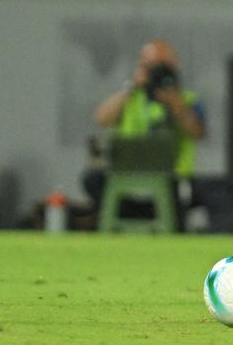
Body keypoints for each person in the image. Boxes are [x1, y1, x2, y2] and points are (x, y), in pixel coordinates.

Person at [86, 39, 207, 221]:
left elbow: (198, 132)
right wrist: (132, 87)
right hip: (126, 175)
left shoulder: (187, 99)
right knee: (92, 178)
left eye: (162, 65)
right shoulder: (131, 98)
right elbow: (101, 119)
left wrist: (174, 103)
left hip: (171, 178)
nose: (156, 71)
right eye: (151, 66)